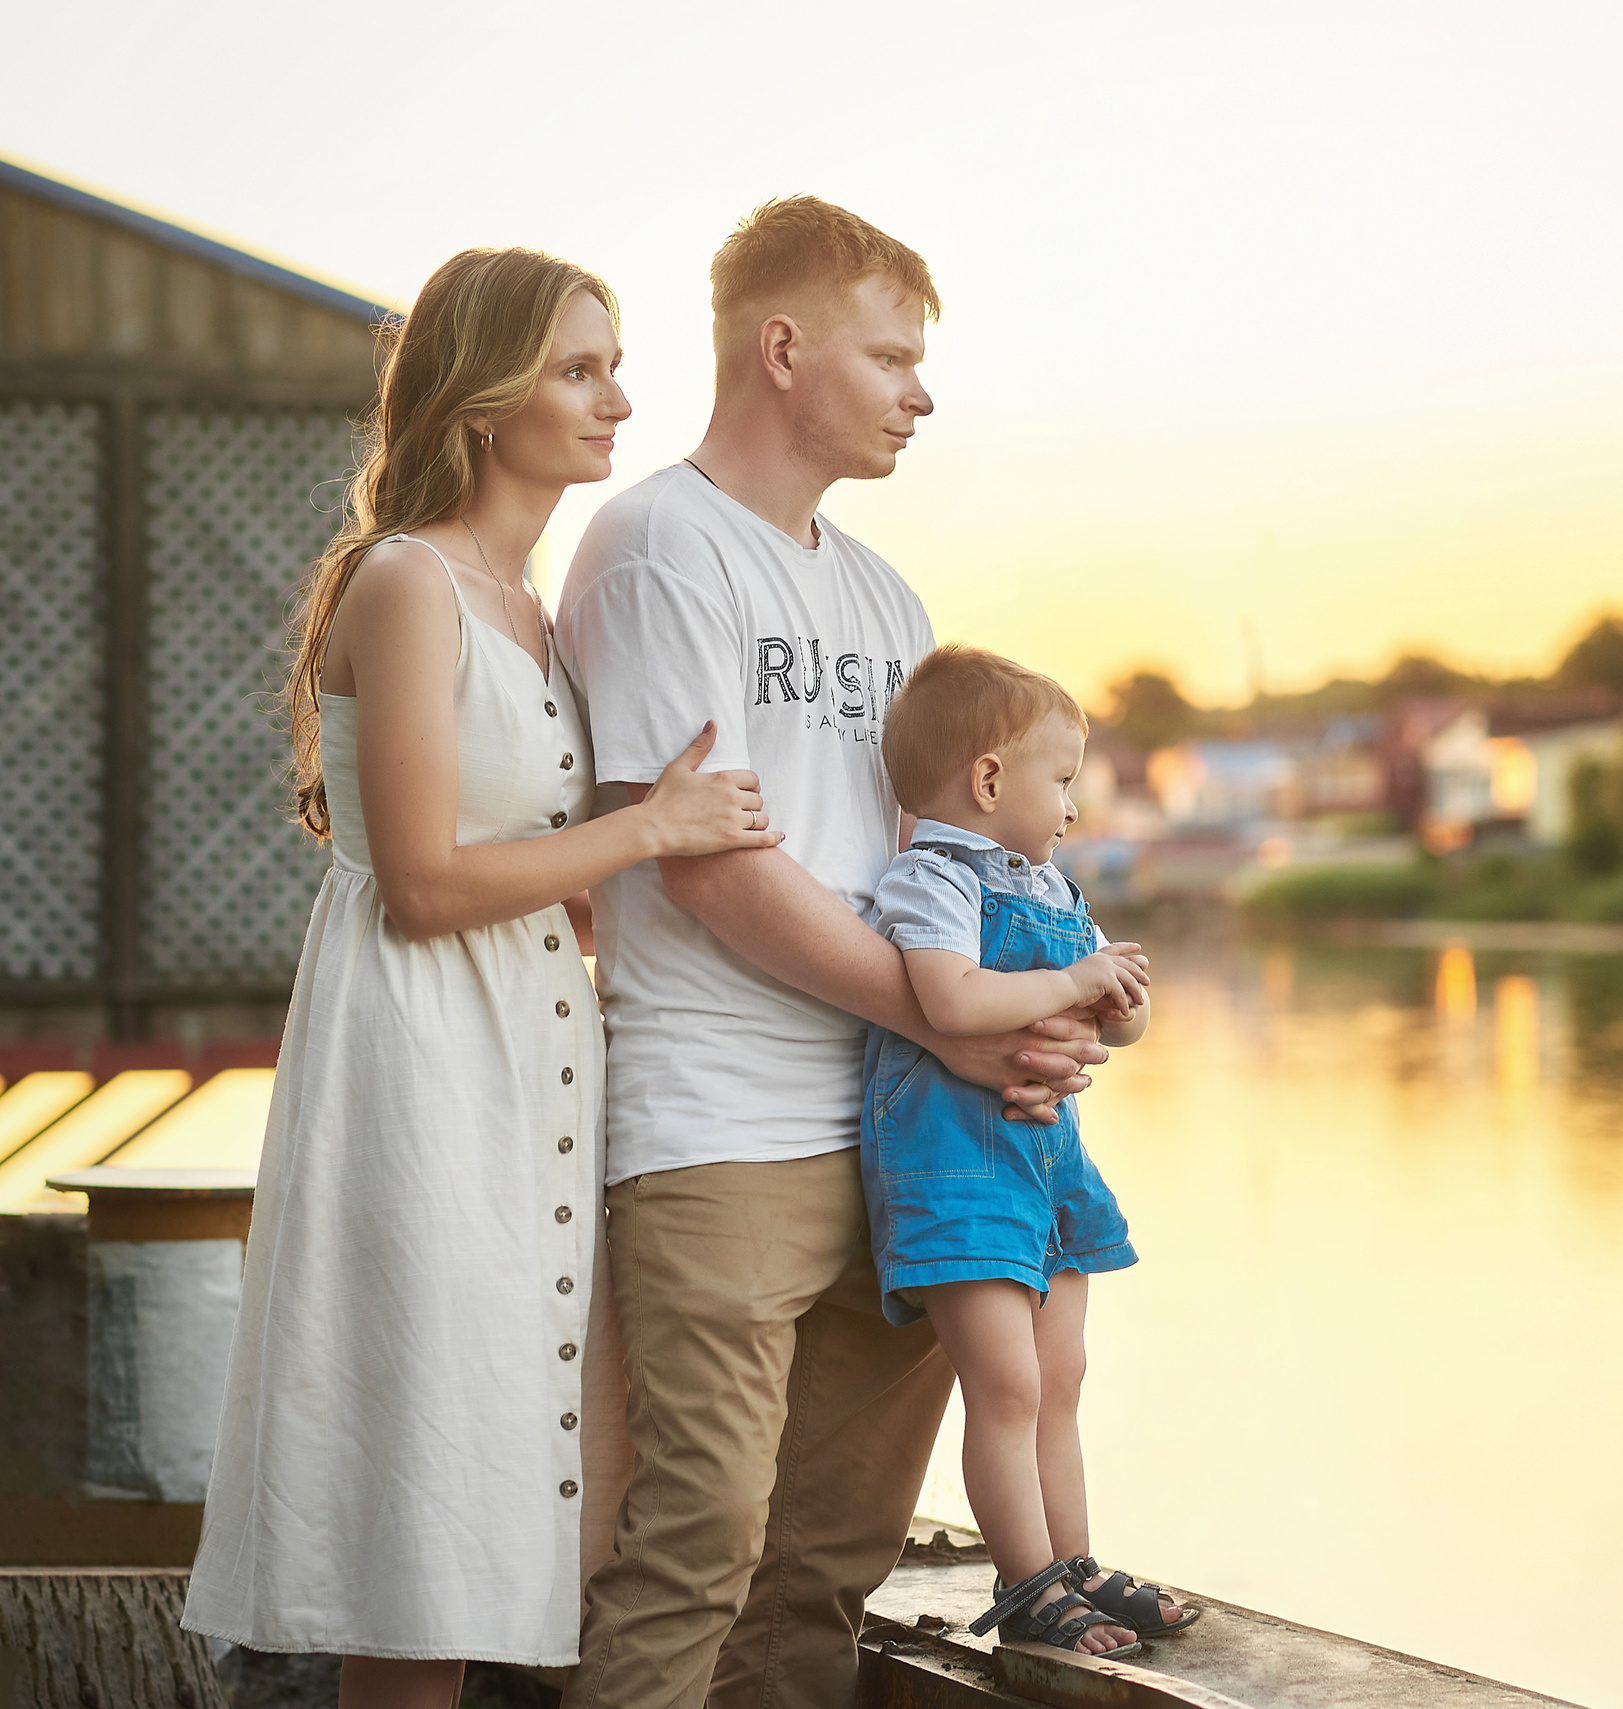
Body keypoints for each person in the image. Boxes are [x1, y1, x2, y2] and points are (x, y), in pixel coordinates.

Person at [183, 248, 777, 1709]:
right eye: (579, 369)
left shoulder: (533, 603)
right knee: (426, 1502)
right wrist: (651, 827)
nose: (618, 398)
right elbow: (429, 876)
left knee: (543, 1473)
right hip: (421, 1059)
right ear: (483, 393)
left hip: (529, 1048)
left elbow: (535, 863)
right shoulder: (407, 584)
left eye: (614, 362)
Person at [555, 198, 1110, 1709]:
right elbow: (714, 868)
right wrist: (952, 1026)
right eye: (891, 357)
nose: (919, 394)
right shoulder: (655, 545)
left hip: (908, 1137)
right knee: (695, 1548)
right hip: (723, 1124)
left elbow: (945, 865)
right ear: (781, 348)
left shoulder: (887, 595)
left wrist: (1040, 1013)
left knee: (823, 1564)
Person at [862, 644, 1201, 1656]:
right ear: (988, 778)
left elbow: (1100, 1027)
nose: (1074, 805)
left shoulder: (1048, 887)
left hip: (1047, 1165)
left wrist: (1121, 1007)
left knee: (1060, 1373)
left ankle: (1074, 1560)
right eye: (1062, 780)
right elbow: (951, 998)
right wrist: (1070, 982)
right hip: (953, 1166)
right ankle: (1026, 1582)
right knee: (1004, 1382)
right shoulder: (928, 876)